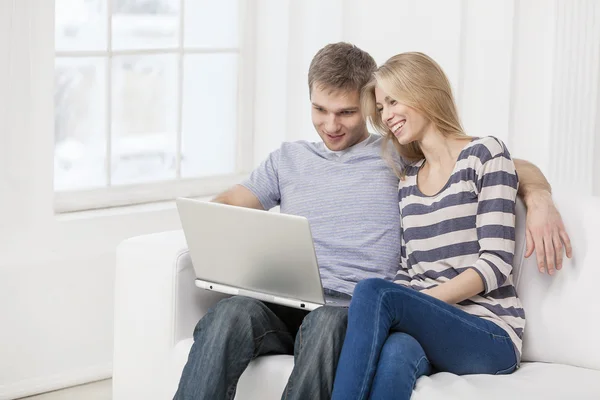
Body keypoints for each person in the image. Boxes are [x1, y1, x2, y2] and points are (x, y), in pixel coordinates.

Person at [174, 43, 571, 400]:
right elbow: (227, 204)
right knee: (229, 314)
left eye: (346, 112)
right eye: (319, 110)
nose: (331, 125)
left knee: (331, 322)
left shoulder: (395, 157)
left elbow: (494, 162)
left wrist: (539, 197)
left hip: (349, 312)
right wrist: (216, 237)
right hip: (288, 304)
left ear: (366, 107)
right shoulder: (288, 160)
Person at [331, 52, 528, 399]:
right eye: (380, 108)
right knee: (396, 352)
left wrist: (417, 306)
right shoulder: (407, 181)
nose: (386, 115)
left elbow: (496, 264)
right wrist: (413, 306)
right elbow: (409, 270)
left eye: (393, 101)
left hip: (490, 333)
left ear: (423, 90)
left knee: (372, 291)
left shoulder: (485, 154)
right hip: (433, 328)